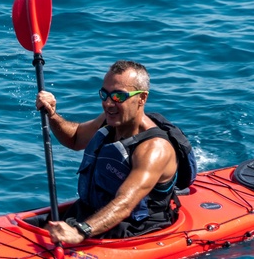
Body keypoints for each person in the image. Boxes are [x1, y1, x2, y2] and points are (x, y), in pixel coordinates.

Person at [34, 60, 183, 244]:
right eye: (105, 94)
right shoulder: (110, 120)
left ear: (142, 98)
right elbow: (75, 138)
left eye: (118, 97)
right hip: (92, 212)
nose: (108, 103)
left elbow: (125, 202)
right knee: (29, 227)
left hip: (132, 229)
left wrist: (80, 232)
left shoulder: (154, 148)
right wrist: (52, 115)